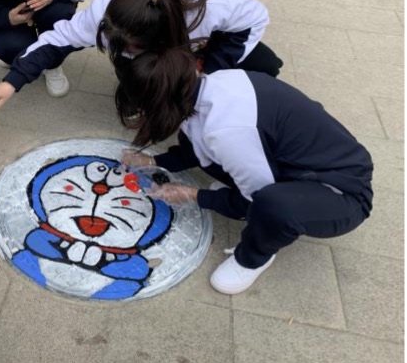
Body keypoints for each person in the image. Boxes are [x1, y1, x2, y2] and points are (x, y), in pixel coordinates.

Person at [118, 48, 372, 294]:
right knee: (223, 162)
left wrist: (193, 195)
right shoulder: (207, 87)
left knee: (272, 206)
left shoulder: (228, 132)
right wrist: (153, 161)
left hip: (340, 192)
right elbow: (197, 143)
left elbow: (255, 198)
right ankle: (249, 198)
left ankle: (253, 258)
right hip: (296, 165)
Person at [0, 0, 282, 109]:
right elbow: (56, 40)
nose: (122, 51)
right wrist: (12, 82)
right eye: (117, 45)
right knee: (141, 92)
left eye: (131, 49)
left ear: (160, 41)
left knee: (265, 66)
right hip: (169, 46)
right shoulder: (104, 13)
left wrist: (210, 69)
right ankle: (139, 93)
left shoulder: (213, 7)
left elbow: (256, 19)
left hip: (205, 45)